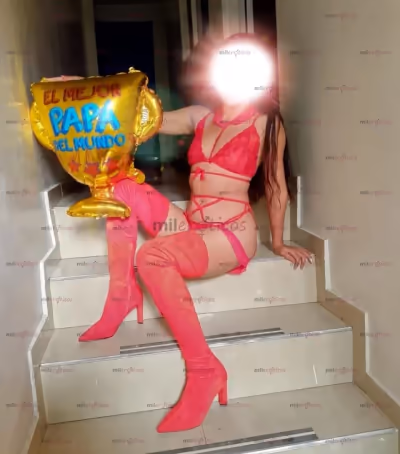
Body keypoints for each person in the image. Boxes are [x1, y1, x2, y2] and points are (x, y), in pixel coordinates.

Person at [49, 33, 312, 433]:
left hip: (229, 233)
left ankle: (205, 370)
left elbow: (276, 187)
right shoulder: (199, 117)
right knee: (120, 186)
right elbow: (136, 115)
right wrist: (79, 90)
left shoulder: (266, 122)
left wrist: (277, 241)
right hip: (189, 224)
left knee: (151, 257)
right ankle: (122, 296)